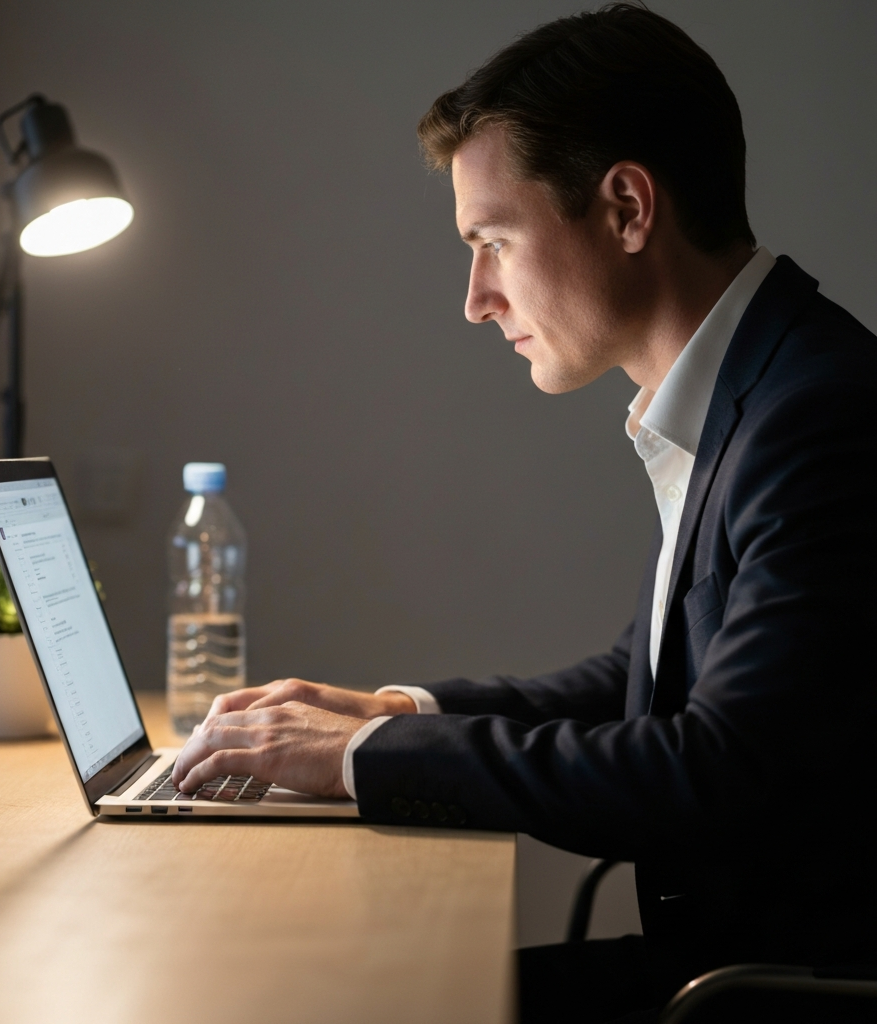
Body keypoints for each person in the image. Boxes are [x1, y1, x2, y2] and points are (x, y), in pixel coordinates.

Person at [172, 4, 876, 1021]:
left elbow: (712, 767)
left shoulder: (814, 417)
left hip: (757, 991)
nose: (475, 296)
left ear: (627, 209)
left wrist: (361, 761)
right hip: (715, 966)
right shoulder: (749, 392)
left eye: (493, 240)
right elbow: (645, 684)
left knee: (338, 999)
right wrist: (399, 714)